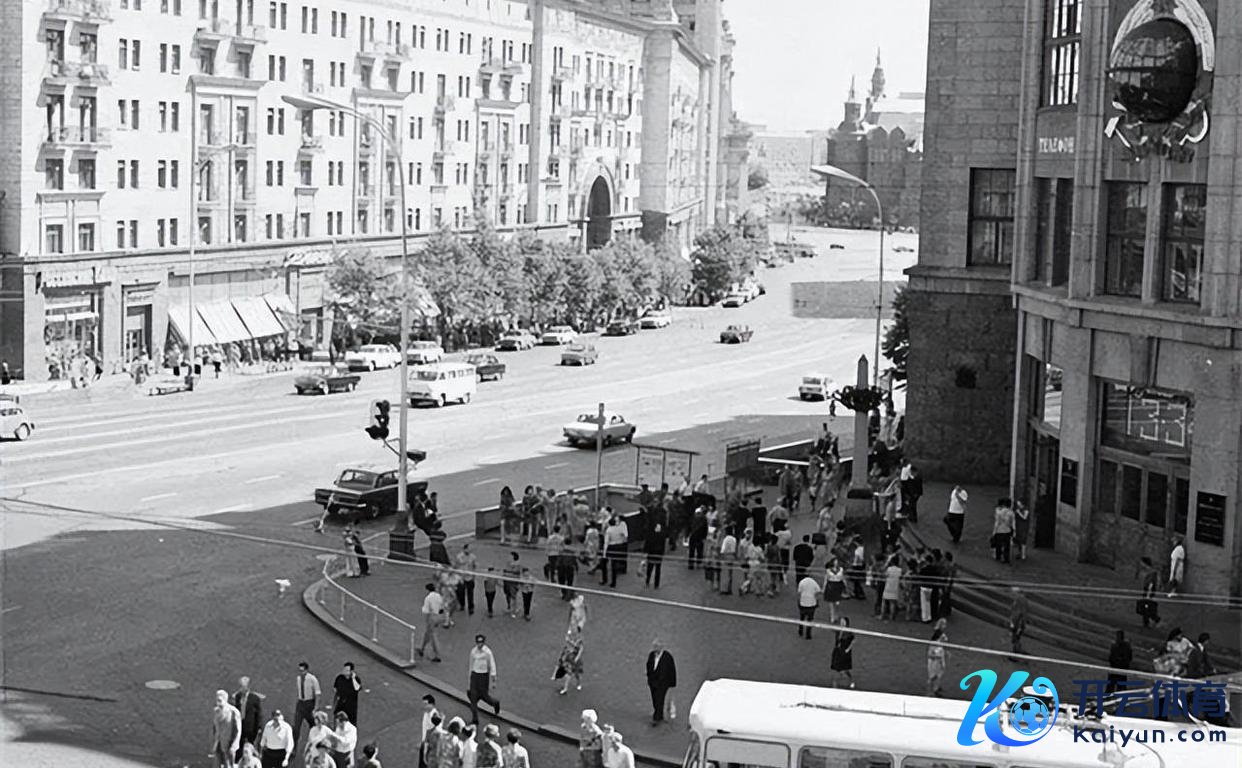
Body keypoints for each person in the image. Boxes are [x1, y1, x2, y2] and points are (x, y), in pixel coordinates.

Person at [467, 634, 501, 724]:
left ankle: (495, 703)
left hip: (483, 676)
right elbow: (471, 664)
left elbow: (492, 665)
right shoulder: (473, 651)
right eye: (478, 642)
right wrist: (470, 676)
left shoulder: (487, 652)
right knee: (472, 696)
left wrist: (493, 680)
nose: (479, 644)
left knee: (484, 696)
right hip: (475, 675)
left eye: (481, 642)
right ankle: (475, 719)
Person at [645, 638, 677, 724]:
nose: (655, 648)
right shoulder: (651, 655)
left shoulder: (667, 657)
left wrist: (672, 683)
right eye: (654, 646)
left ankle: (656, 718)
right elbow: (648, 666)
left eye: (656, 646)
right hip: (653, 682)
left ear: (661, 647)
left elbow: (672, 670)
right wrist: (649, 677)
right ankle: (659, 714)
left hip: (663, 683)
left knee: (660, 699)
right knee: (655, 699)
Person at [291, 662, 321, 752]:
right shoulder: (298, 679)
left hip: (309, 704)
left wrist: (315, 708)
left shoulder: (312, 679)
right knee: (296, 727)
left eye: (303, 671)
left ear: (307, 670)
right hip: (301, 704)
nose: (301, 673)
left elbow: (318, 694)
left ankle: (316, 744)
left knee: (313, 726)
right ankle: (293, 748)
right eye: (300, 671)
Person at [232, 676, 263, 759]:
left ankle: (252, 762)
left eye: (244, 686)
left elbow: (258, 714)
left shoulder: (254, 698)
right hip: (240, 726)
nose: (242, 688)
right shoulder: (238, 697)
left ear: (248, 687)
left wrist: (259, 727)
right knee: (239, 746)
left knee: (251, 746)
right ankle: (239, 762)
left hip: (251, 727)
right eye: (241, 686)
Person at [211, 689, 243, 768]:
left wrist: (234, 746)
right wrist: (214, 741)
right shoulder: (216, 712)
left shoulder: (234, 712)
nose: (218, 703)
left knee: (228, 766)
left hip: (229, 745)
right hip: (218, 744)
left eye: (220, 700)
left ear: (225, 699)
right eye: (217, 700)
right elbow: (215, 727)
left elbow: (238, 731)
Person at [555, 627, 585, 695]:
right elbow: (573, 646)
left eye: (575, 630)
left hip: (576, 661)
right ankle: (565, 689)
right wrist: (568, 641)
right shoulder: (575, 639)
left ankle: (579, 683)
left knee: (576, 674)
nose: (574, 631)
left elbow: (580, 651)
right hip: (571, 658)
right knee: (568, 674)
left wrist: (576, 659)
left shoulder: (580, 641)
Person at [331, 662, 361, 727]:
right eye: (344, 669)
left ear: (351, 671)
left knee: (350, 724)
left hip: (350, 706)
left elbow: (357, 688)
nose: (344, 671)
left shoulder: (356, 679)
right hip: (340, 704)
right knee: (338, 720)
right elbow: (335, 688)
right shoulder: (339, 677)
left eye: (347, 670)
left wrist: (353, 678)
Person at [830, 617, 855, 689]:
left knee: (844, 669)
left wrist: (848, 649)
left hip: (844, 653)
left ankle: (850, 680)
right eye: (841, 622)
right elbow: (832, 629)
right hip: (838, 651)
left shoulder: (849, 633)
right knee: (837, 668)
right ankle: (835, 683)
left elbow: (853, 641)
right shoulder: (839, 630)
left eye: (843, 622)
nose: (842, 623)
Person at [643, 514, 667, 588]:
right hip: (656, 553)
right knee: (654, 569)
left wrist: (645, 552)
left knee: (653, 569)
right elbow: (662, 545)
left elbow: (647, 544)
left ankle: (651, 583)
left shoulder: (652, 535)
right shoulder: (660, 536)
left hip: (654, 553)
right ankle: (653, 583)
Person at [796, 572, 822, 639]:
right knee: (810, 619)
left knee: (802, 618)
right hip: (811, 603)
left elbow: (799, 592)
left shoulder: (802, 582)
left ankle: (800, 631)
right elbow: (818, 590)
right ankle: (808, 634)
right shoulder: (814, 582)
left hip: (803, 602)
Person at [1137, 556, 1161, 627]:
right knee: (1145, 606)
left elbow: (1151, 584)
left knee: (1147, 606)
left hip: (1149, 591)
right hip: (1147, 590)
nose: (1141, 565)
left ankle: (1154, 619)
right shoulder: (1149, 572)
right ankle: (1146, 622)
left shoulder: (1151, 573)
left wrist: (1148, 594)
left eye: (1142, 563)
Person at [417, 696, 441, 768]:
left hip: (429, 746)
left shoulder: (435, 717)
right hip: (425, 743)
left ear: (432, 704)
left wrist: (425, 744)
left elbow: (434, 732)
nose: (424, 706)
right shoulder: (426, 713)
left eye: (426, 704)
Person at [1107, 630, 1132, 695]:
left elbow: (1128, 657)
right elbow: (1111, 656)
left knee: (1121, 684)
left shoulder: (1126, 646)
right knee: (1111, 684)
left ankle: (1120, 695)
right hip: (1114, 666)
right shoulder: (1114, 645)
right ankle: (1109, 695)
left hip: (1122, 667)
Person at [927, 618, 949, 696]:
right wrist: (938, 657)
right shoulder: (934, 644)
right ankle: (931, 691)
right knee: (933, 676)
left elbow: (942, 647)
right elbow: (930, 654)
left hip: (939, 660)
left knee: (939, 674)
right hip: (934, 662)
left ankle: (936, 688)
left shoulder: (940, 643)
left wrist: (945, 653)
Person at [455, 544, 478, 615]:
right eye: (468, 549)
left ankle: (471, 608)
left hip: (470, 578)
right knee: (460, 593)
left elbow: (474, 567)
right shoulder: (459, 557)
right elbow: (456, 566)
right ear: (464, 549)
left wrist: (474, 576)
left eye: (470, 549)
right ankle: (462, 605)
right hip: (461, 578)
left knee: (470, 594)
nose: (469, 550)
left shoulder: (473, 557)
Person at [991, 499, 1014, 564]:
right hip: (1007, 530)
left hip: (999, 530)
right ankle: (1006, 558)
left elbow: (997, 522)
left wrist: (994, 531)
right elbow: (1011, 522)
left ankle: (998, 556)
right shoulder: (1011, 512)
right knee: (1007, 545)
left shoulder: (998, 511)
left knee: (998, 544)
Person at [881, 556, 902, 621]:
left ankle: (882, 615)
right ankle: (891, 616)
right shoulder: (899, 570)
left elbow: (884, 575)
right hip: (895, 587)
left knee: (884, 601)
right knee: (892, 603)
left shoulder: (889, 569)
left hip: (888, 586)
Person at [718, 526, 738, 594]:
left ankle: (724, 588)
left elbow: (723, 550)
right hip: (731, 556)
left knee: (724, 573)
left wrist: (721, 557)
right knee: (730, 573)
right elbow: (734, 549)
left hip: (726, 556)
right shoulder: (734, 539)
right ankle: (729, 588)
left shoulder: (725, 539)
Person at [502, 551, 523, 618]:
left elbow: (514, 572)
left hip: (513, 583)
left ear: (513, 557)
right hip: (507, 581)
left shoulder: (517, 564)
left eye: (510, 556)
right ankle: (509, 607)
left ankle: (514, 610)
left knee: (513, 596)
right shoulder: (508, 563)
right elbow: (505, 571)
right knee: (507, 595)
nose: (508, 557)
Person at [1009, 587, 1028, 655]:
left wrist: (1013, 624)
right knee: (1016, 637)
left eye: (1013, 593)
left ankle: (1016, 651)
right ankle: (1017, 650)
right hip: (1019, 621)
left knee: (1015, 636)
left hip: (1017, 622)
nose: (1012, 594)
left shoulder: (1019, 600)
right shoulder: (1020, 600)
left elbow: (1017, 613)